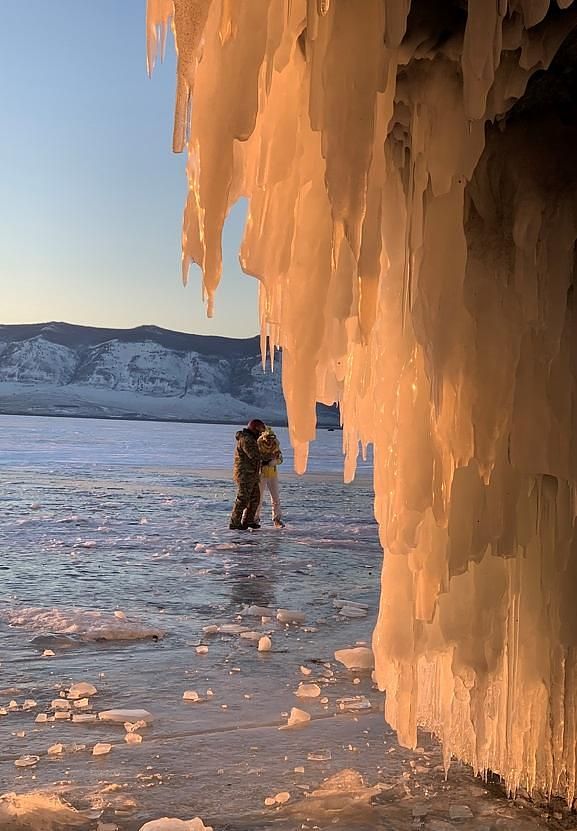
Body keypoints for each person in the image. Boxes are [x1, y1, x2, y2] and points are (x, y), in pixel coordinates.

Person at [229, 419, 266, 530]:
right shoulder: (247, 440)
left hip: (252, 474)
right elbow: (254, 455)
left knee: (255, 499)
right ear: (255, 429)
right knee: (243, 499)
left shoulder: (250, 439)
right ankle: (235, 523)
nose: (260, 433)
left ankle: (248, 521)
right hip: (245, 474)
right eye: (259, 430)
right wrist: (268, 458)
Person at [255, 427, 285, 528]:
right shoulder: (258, 446)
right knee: (258, 498)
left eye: (272, 439)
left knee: (275, 497)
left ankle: (277, 519)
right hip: (261, 474)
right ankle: (255, 518)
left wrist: (274, 462)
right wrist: (262, 463)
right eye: (268, 438)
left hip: (272, 474)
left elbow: (280, 459)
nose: (270, 441)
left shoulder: (275, 446)